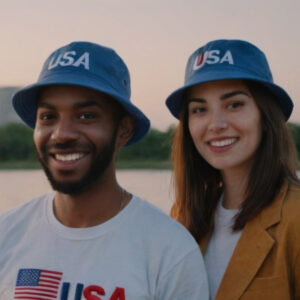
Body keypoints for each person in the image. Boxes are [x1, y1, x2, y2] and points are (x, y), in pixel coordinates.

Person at [0, 41, 209, 299]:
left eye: (86, 116)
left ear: (124, 130)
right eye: (47, 117)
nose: (62, 134)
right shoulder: (6, 234)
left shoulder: (170, 251)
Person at [165, 39, 300, 299]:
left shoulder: (296, 216)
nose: (215, 124)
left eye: (234, 105)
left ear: (266, 114)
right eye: (200, 109)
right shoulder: (182, 216)